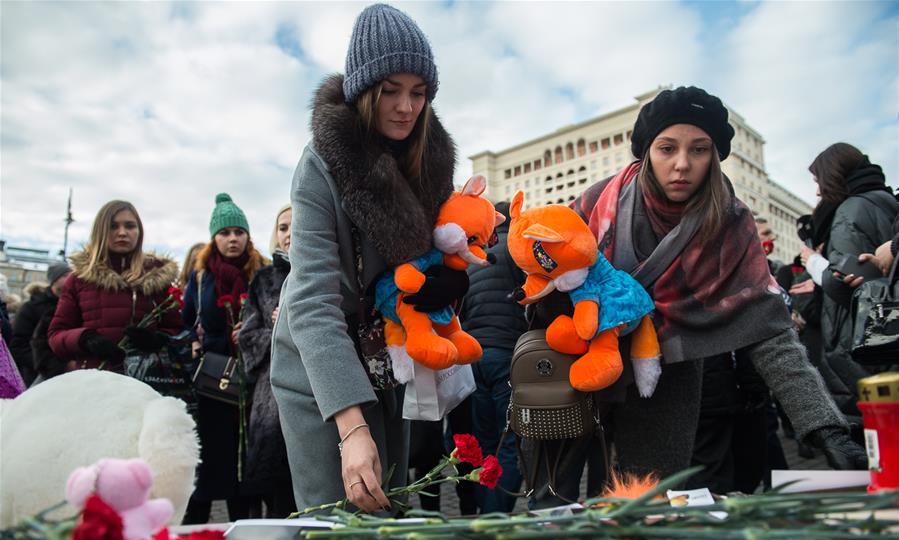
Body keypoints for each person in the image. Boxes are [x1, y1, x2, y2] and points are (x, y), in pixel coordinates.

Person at [527, 87, 864, 508]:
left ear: (715, 155)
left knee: (642, 508)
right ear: (647, 150)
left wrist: (823, 425)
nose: (682, 165)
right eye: (667, 148)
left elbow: (770, 330)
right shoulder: (597, 202)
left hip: (667, 382)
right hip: (579, 363)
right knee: (553, 505)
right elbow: (542, 268)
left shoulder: (732, 222)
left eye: (699, 149)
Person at [271, 3, 464, 513]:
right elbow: (312, 303)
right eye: (391, 91)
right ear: (363, 91)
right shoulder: (320, 163)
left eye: (418, 93)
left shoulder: (430, 161)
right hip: (319, 366)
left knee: (388, 508)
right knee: (336, 517)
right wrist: (351, 427)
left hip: (387, 355)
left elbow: (426, 258)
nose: (406, 107)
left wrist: (444, 279)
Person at [181, 193, 266, 524]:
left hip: (253, 381)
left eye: (238, 232)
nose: (233, 239)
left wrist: (252, 328)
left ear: (247, 236)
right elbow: (186, 321)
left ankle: (244, 526)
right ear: (214, 238)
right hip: (213, 384)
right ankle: (195, 533)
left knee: (245, 464)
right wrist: (193, 341)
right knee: (210, 462)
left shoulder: (261, 272)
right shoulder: (201, 277)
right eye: (225, 233)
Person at [800, 145, 898, 400]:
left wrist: (813, 263)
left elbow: (843, 285)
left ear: (832, 175)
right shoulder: (887, 201)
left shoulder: (849, 210)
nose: (818, 190)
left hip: (865, 351)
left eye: (818, 180)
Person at [48, 200, 182, 371]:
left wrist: (158, 339)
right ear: (100, 231)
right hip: (93, 379)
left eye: (130, 226)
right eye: (113, 226)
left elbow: (177, 330)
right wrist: (84, 339)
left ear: (139, 232)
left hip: (146, 381)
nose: (122, 233)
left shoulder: (157, 277)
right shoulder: (79, 279)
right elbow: (55, 336)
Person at [459, 201, 527, 512]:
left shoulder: (473, 259)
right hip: (507, 358)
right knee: (511, 443)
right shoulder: (518, 250)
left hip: (475, 361)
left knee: (486, 444)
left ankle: (482, 510)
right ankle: (494, 515)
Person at [237, 205, 297, 518]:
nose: (289, 233)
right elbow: (248, 336)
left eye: (296, 225)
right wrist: (277, 329)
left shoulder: (330, 269)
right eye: (283, 227)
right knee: (276, 489)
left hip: (316, 390)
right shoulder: (263, 279)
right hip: (272, 397)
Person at [9, 263, 71, 386]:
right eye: (64, 275)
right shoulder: (31, 307)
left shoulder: (73, 306)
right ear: (54, 280)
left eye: (71, 275)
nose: (70, 278)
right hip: (35, 376)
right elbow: (18, 346)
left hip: (67, 375)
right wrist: (44, 364)